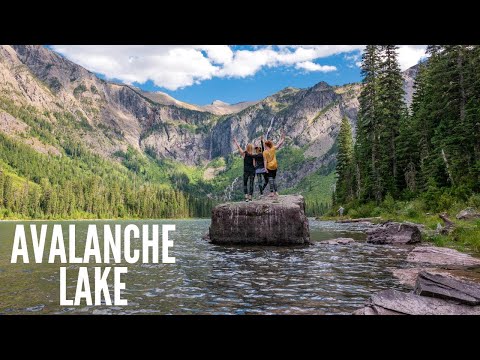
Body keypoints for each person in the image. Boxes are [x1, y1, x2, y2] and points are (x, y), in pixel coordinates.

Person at [263, 130, 286, 198]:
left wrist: (265, 168)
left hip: (269, 167)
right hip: (275, 166)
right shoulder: (273, 148)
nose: (264, 146)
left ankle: (272, 192)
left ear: (266, 145)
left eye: (265, 145)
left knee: (270, 180)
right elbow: (279, 145)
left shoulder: (264, 152)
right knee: (274, 179)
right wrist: (283, 139)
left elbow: (265, 160)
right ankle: (276, 192)